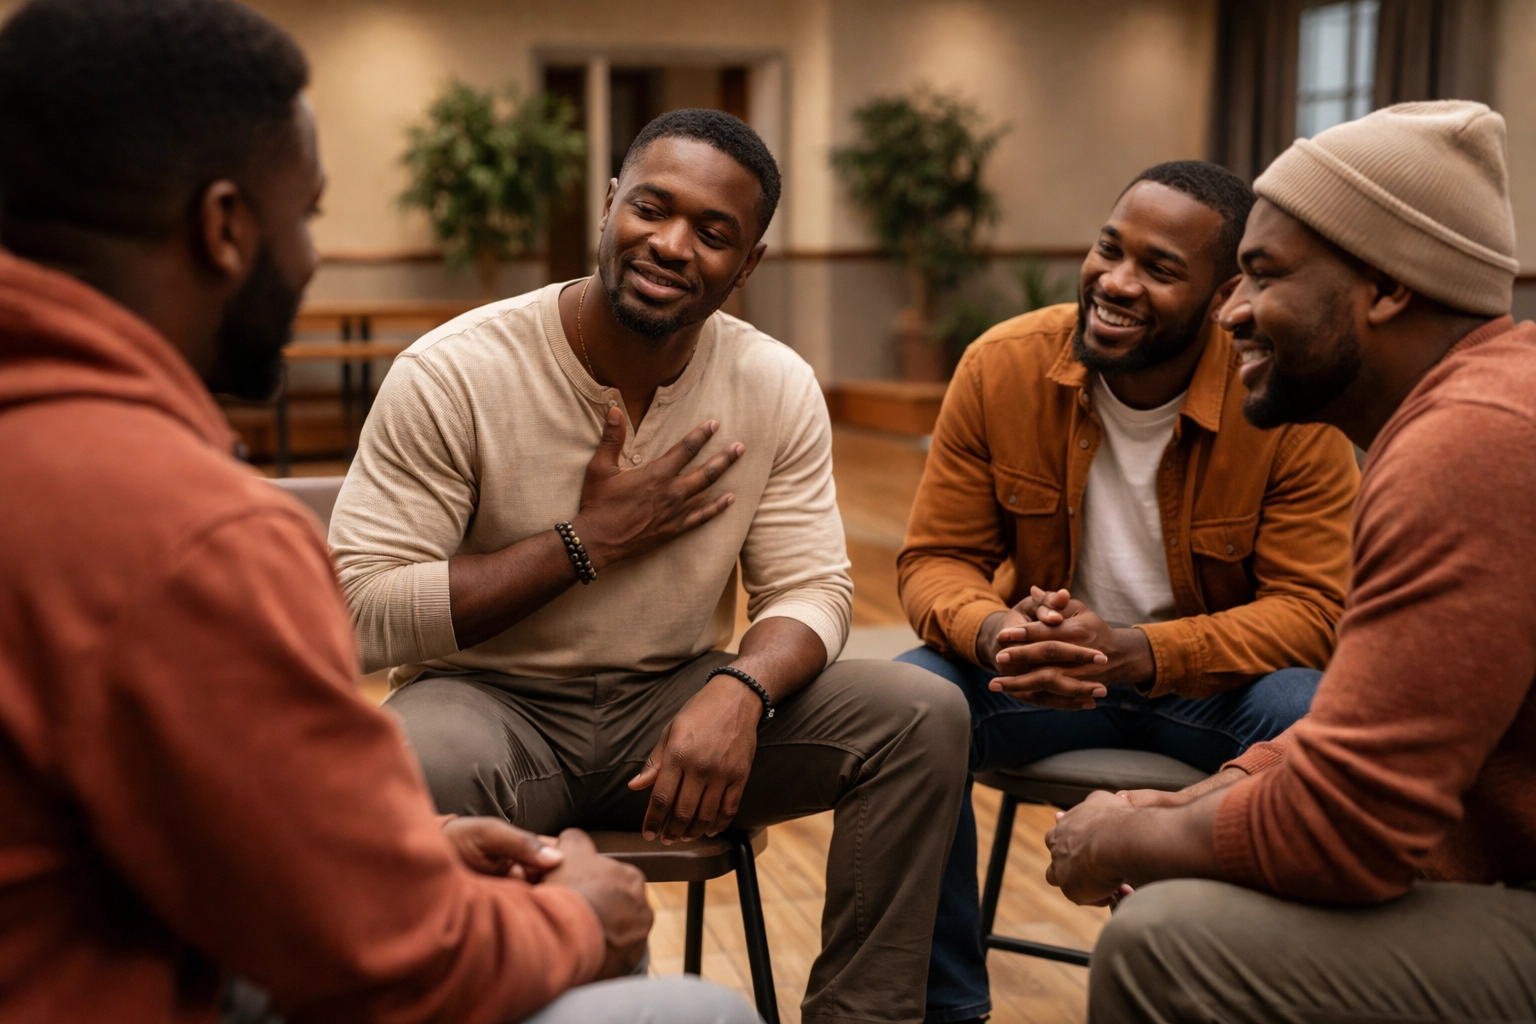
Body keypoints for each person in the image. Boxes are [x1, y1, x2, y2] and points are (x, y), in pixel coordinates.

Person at [0, 2, 760, 1022]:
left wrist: (406, 853)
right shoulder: (187, 530)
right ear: (225, 227)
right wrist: (579, 919)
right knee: (697, 1012)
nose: (311, 259)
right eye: (305, 213)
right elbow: (384, 954)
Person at [327, 106, 971, 1024]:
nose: (673, 244)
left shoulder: (774, 381)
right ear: (607, 206)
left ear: (747, 266)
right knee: (402, 757)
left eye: (715, 233)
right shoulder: (455, 371)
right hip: (488, 704)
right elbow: (359, 613)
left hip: (675, 696)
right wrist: (589, 543)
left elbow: (814, 587)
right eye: (652, 208)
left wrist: (741, 692)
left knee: (921, 715)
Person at [1045, 101, 1536, 1024]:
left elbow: (1347, 832)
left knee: (1169, 942)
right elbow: (1379, 731)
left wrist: (1130, 843)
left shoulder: (1471, 442)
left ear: (1385, 289)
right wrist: (1215, 798)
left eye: (1261, 276)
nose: (1229, 311)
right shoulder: (1479, 407)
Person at [895, 160, 1361, 1023]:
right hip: (1045, 682)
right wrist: (998, 631)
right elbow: (934, 560)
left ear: (1225, 295)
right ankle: (942, 1010)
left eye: (1158, 268)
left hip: (1218, 695)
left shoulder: (1286, 399)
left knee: (1318, 711)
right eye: (1109, 249)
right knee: (911, 702)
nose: (1115, 281)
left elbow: (1315, 613)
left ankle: (1240, 986)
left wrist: (1143, 651)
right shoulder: (1001, 367)